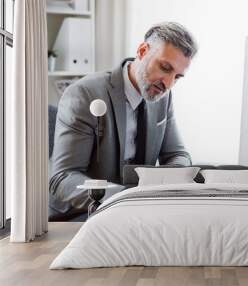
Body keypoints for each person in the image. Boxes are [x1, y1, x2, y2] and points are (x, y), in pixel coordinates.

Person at [49, 22, 197, 221]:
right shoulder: (84, 94)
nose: (168, 84)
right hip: (83, 215)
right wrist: (127, 199)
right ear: (143, 51)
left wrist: (166, 183)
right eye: (165, 67)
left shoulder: (163, 98)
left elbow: (177, 154)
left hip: (136, 213)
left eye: (177, 77)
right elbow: (63, 178)